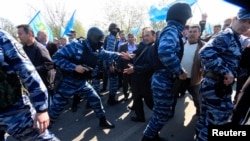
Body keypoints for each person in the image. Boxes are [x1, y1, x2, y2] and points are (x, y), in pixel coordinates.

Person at [49, 27, 129, 129]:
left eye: (102, 41)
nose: (101, 43)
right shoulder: (75, 45)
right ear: (93, 38)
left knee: (95, 99)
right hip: (67, 83)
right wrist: (74, 67)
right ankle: (43, 131)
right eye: (100, 40)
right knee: (54, 110)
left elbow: (108, 54)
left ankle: (103, 120)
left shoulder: (97, 49)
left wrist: (121, 56)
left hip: (82, 83)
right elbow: (56, 57)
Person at [195, 8, 250, 141]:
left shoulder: (234, 37)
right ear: (234, 20)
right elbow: (205, 52)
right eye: (243, 20)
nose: (245, 25)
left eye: (249, 22)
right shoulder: (227, 35)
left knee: (205, 119)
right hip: (216, 86)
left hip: (214, 85)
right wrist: (226, 71)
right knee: (218, 123)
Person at [141, 2, 192, 140]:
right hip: (163, 79)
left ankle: (153, 136)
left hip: (163, 79)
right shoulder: (172, 30)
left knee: (161, 113)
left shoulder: (171, 29)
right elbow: (165, 52)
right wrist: (179, 71)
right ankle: (147, 137)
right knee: (161, 114)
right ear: (183, 18)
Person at [0, 29, 59, 140]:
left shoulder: (1, 37)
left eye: (21, 33)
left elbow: (27, 70)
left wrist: (41, 108)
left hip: (13, 111)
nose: (19, 36)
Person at [171, 24, 205, 118]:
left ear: (199, 33)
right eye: (190, 31)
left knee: (197, 98)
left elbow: (208, 61)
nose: (192, 34)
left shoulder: (203, 46)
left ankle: (199, 111)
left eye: (195, 32)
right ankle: (170, 112)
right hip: (180, 76)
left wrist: (204, 68)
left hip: (194, 78)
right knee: (173, 96)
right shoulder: (182, 44)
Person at [17, 24, 55, 103]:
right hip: (31, 85)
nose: (19, 36)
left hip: (44, 85)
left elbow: (49, 64)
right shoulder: (23, 49)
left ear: (30, 34)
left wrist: (32, 70)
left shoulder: (40, 48)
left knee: (46, 111)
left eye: (20, 34)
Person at [123, 27, 155, 122]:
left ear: (154, 36)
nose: (145, 37)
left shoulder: (153, 48)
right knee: (136, 98)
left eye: (147, 35)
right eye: (144, 35)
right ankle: (140, 116)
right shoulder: (146, 45)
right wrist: (131, 58)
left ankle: (161, 114)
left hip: (145, 79)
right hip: (137, 78)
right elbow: (140, 58)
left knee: (149, 100)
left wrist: (135, 69)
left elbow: (150, 66)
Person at [103, 23, 121, 105]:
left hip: (109, 63)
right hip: (110, 64)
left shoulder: (111, 37)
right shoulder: (111, 38)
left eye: (117, 29)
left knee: (113, 81)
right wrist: (111, 64)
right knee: (114, 82)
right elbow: (109, 52)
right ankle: (111, 100)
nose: (116, 31)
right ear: (110, 29)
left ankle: (111, 98)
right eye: (114, 29)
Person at [118, 32, 137, 101]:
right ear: (127, 38)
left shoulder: (137, 46)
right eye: (129, 37)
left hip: (135, 67)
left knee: (134, 82)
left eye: (132, 37)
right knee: (125, 82)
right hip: (125, 66)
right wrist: (119, 67)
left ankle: (134, 94)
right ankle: (126, 95)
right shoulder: (123, 46)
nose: (130, 38)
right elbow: (119, 57)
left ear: (134, 38)